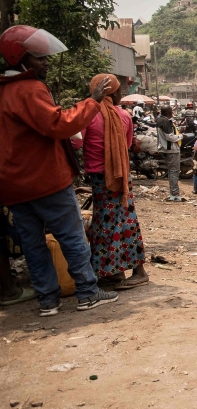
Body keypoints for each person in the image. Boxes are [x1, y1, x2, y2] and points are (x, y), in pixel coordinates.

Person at [0, 25, 119, 315]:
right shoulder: (29, 89)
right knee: (72, 236)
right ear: (21, 58)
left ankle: (48, 301)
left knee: (33, 244)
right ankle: (88, 293)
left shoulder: (4, 91)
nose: (46, 62)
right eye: (39, 57)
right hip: (45, 179)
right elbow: (59, 125)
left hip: (13, 185)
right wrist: (91, 101)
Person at [73, 74, 148, 289]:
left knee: (105, 225)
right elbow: (125, 145)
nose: (120, 95)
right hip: (122, 176)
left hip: (100, 178)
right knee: (124, 222)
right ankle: (121, 271)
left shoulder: (87, 114)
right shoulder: (124, 116)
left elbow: (76, 144)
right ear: (112, 92)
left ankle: (121, 271)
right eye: (118, 91)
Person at [156, 105, 184, 201]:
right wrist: (181, 136)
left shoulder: (160, 120)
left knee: (172, 171)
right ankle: (175, 194)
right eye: (171, 111)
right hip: (171, 149)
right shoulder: (165, 121)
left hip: (165, 148)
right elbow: (170, 137)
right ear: (169, 112)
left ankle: (173, 193)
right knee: (174, 171)